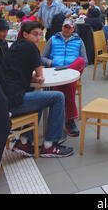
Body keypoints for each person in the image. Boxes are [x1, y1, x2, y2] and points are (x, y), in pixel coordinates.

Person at [5, 22, 74, 158]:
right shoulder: (31, 48)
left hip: (3, 101)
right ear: (25, 34)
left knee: (40, 97)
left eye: (40, 35)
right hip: (14, 103)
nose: (38, 38)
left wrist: (34, 79)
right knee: (58, 97)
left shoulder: (15, 46)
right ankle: (50, 145)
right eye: (35, 34)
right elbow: (41, 76)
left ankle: (24, 141)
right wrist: (38, 78)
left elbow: (18, 74)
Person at [41, 19, 86, 137]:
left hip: (72, 71)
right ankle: (70, 120)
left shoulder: (79, 41)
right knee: (68, 85)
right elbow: (42, 58)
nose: (66, 29)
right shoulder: (53, 39)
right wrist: (51, 63)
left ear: (73, 29)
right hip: (56, 71)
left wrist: (70, 69)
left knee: (79, 61)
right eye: (64, 27)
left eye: (69, 27)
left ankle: (65, 117)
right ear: (61, 27)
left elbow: (84, 60)